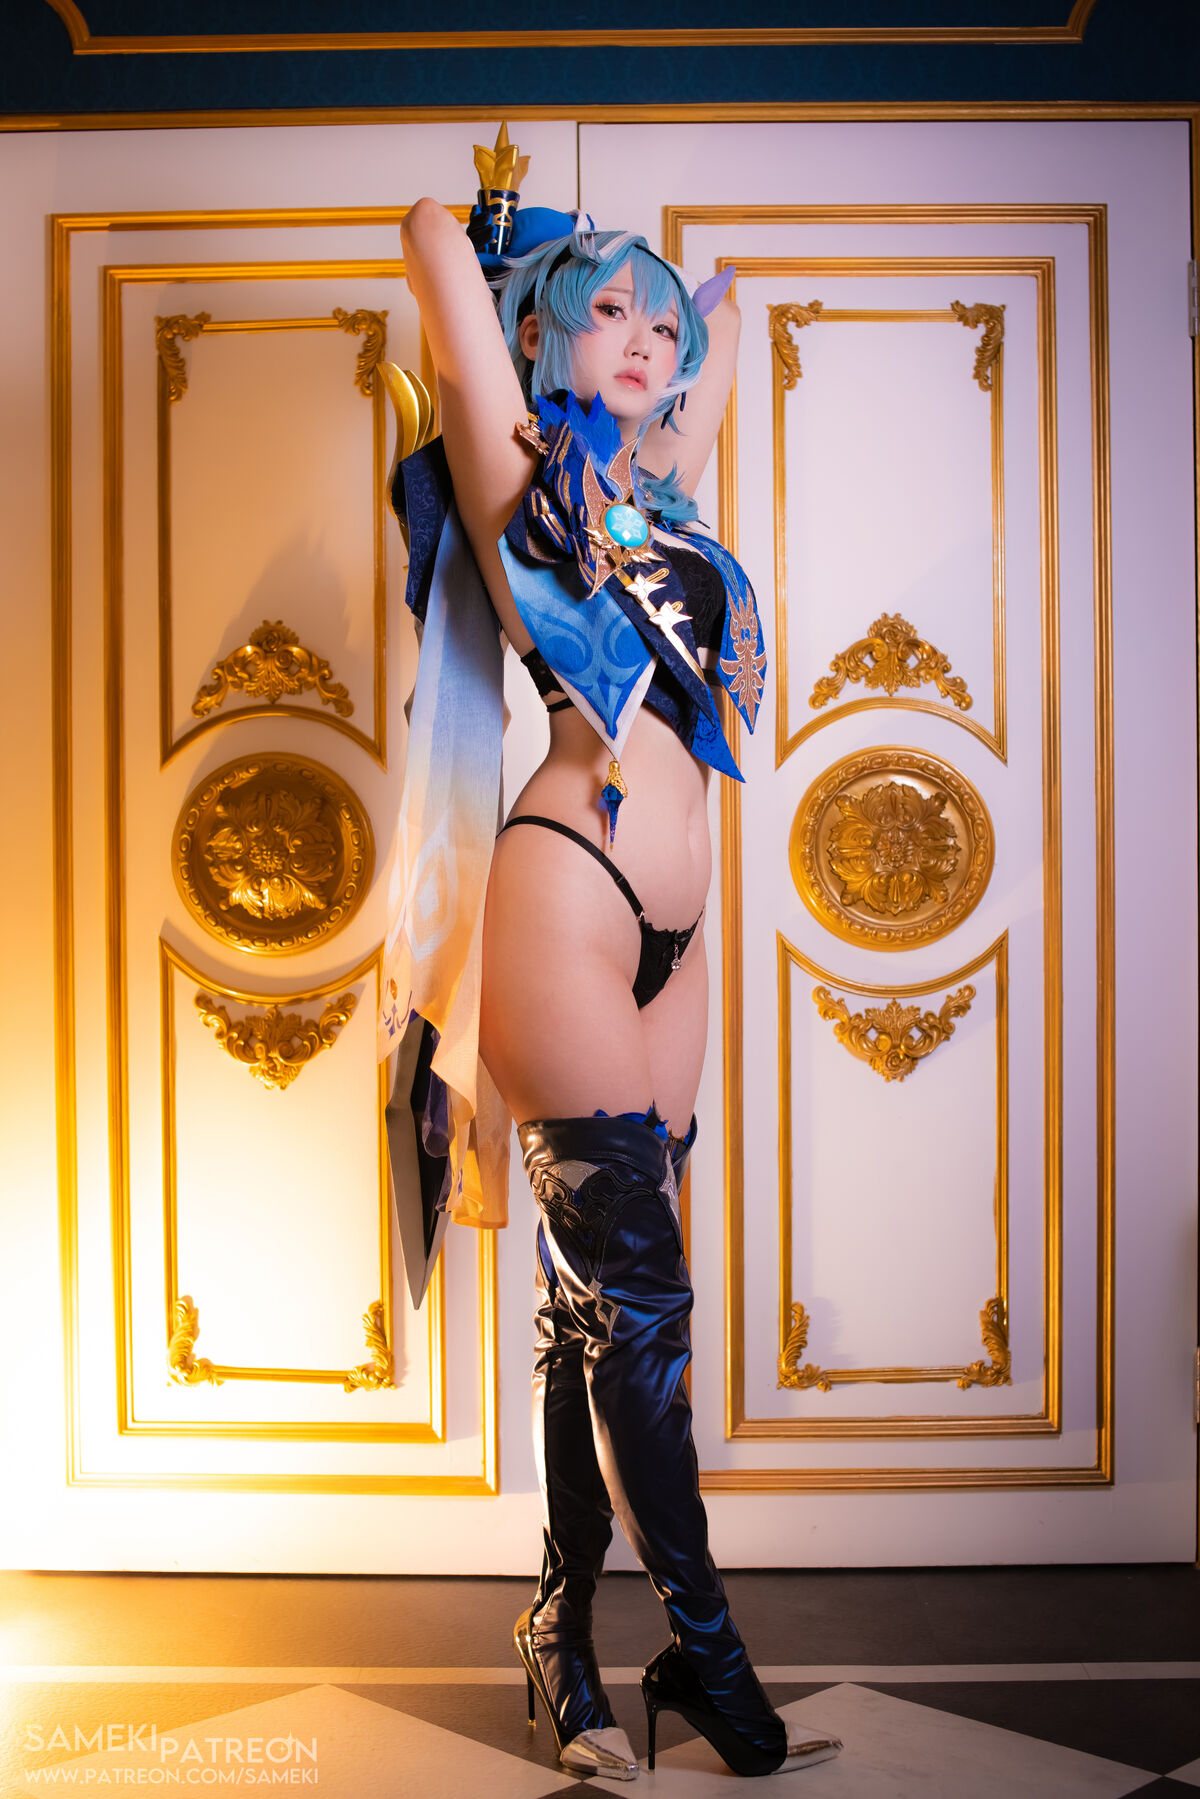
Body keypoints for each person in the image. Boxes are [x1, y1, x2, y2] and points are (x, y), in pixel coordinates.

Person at [384, 131, 843, 1782]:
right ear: (540, 333)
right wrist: (537, 256)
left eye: (662, 326)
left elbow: (724, 319)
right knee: (637, 1310)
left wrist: (671, 309)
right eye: (610, 316)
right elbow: (432, 235)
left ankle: (563, 1640)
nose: (650, 341)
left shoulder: (668, 496)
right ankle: (707, 1657)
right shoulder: (519, 474)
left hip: (680, 936)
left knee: (606, 1315)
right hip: (566, 899)